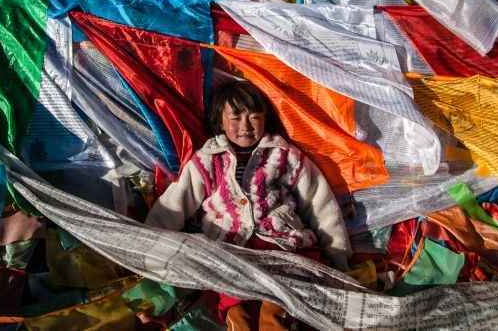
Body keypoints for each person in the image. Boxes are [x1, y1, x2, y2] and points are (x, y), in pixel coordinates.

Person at [145, 80, 351, 330]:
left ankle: (275, 315)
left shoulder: (285, 156)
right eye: (236, 117)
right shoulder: (207, 161)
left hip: (282, 248)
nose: (245, 126)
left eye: (254, 117)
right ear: (220, 120)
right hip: (230, 255)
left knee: (275, 313)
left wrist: (338, 255)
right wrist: (151, 254)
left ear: (265, 119)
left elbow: (320, 204)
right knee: (238, 314)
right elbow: (173, 206)